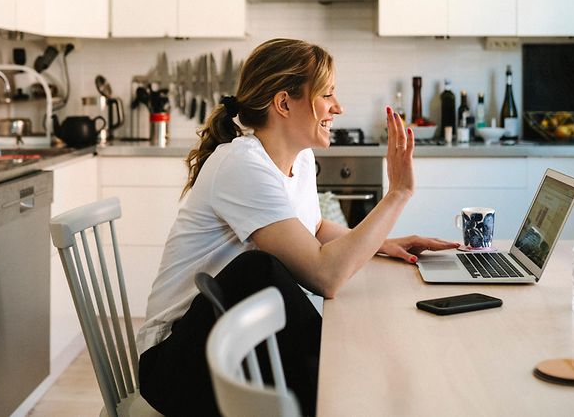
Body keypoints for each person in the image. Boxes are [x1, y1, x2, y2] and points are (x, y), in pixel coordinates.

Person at [136, 38, 458, 416]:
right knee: (259, 271)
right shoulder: (241, 164)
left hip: (236, 345)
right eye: (327, 95)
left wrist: (384, 243)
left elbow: (315, 225)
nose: (338, 108)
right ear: (284, 103)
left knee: (273, 280)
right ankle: (344, 386)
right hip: (176, 361)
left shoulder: (299, 158)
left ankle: (340, 387)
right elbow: (325, 276)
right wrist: (398, 193)